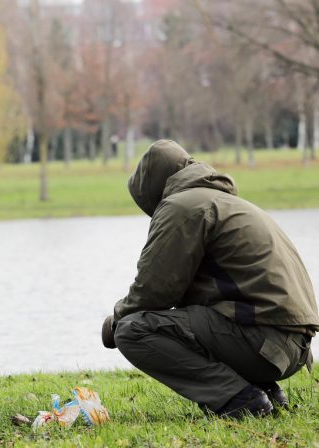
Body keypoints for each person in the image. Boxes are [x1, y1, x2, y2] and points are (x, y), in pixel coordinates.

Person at [103, 139, 318, 418]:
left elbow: (154, 291)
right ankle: (267, 392)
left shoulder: (182, 206)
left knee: (132, 330)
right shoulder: (225, 202)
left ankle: (240, 400)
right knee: (196, 315)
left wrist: (117, 319)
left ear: (150, 187)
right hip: (292, 346)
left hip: (264, 343)